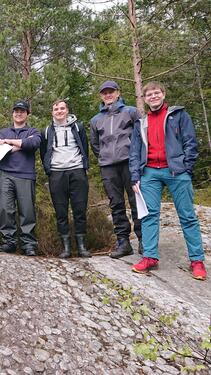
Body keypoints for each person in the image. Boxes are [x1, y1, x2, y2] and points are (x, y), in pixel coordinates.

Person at [129, 82, 206, 280]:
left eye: (156, 93)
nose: (153, 96)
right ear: (145, 99)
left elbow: (190, 142)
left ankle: (197, 261)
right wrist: (135, 176)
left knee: (187, 216)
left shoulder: (178, 115)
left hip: (176, 172)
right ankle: (150, 257)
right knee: (148, 216)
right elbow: (135, 152)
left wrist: (186, 168)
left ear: (163, 94)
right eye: (149, 94)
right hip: (150, 173)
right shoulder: (141, 122)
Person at [90, 80, 142, 259]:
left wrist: (137, 158)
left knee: (136, 201)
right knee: (116, 204)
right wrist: (105, 156)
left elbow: (141, 136)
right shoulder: (96, 120)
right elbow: (95, 144)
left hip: (130, 163)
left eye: (111, 91)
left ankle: (144, 241)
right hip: (108, 167)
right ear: (101, 96)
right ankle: (124, 242)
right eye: (104, 93)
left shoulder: (131, 111)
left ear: (118, 93)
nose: (108, 95)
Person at [41, 100, 90, 258]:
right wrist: (49, 169)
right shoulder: (47, 130)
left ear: (67, 110)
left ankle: (82, 246)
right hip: (57, 173)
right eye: (56, 109)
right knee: (61, 211)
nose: (59, 111)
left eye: (62, 108)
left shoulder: (78, 127)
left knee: (79, 210)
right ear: (52, 112)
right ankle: (66, 248)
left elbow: (85, 147)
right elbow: (44, 152)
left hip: (76, 171)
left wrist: (83, 167)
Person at [0, 101, 41, 256]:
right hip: (5, 174)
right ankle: (9, 242)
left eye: (22, 111)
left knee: (27, 211)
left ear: (27, 113)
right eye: (16, 111)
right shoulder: (3, 132)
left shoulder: (33, 131)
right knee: (5, 209)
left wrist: (9, 142)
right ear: (12, 113)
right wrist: (21, 145)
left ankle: (29, 244)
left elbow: (33, 143)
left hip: (26, 175)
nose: (18, 113)